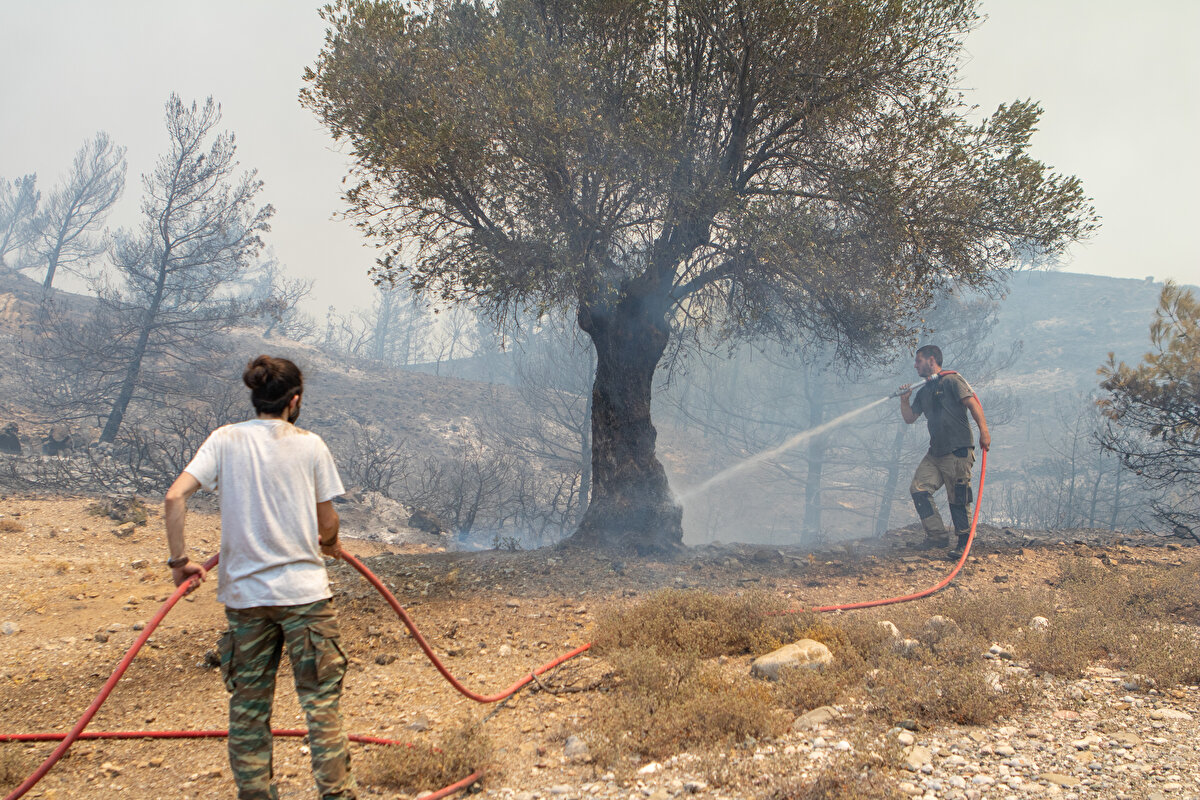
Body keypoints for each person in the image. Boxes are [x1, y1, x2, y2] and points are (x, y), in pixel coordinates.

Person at [163, 355, 356, 800]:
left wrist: (180, 564)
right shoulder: (311, 445)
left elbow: (175, 497)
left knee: (248, 710)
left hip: (245, 598)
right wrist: (330, 542)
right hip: (304, 595)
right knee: (321, 706)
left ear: (256, 397)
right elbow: (327, 522)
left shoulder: (224, 440)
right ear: (295, 400)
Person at [898, 344, 991, 560]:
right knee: (919, 489)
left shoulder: (952, 381)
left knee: (958, 496)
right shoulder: (923, 391)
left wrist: (984, 432)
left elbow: (973, 404)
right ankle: (937, 536)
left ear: (932, 360)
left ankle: (963, 543)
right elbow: (910, 418)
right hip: (935, 453)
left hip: (957, 450)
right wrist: (904, 400)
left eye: (918, 361)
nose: (915, 366)